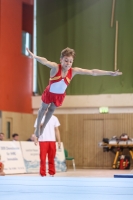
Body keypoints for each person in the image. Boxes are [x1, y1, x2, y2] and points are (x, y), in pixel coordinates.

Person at [26, 47, 122, 138]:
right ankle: (38, 126)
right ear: (61, 60)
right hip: (49, 92)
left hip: (59, 95)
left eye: (70, 61)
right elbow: (45, 61)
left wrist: (109, 73)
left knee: (51, 110)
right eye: (66, 60)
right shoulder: (56, 67)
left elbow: (92, 72)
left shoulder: (73, 71)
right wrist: (34, 56)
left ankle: (44, 126)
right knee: (43, 109)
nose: (68, 63)